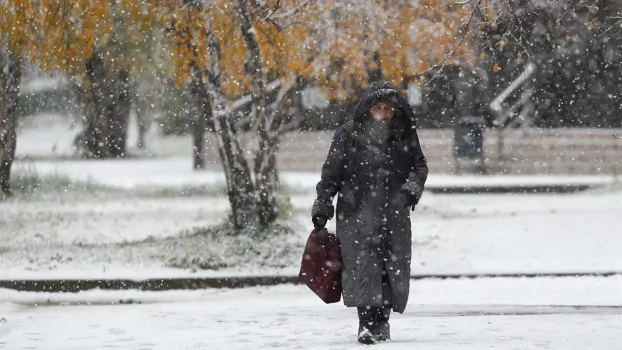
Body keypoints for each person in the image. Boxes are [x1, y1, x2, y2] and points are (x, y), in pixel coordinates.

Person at [312, 81, 428, 344]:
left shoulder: (404, 134)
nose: (383, 113)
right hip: (356, 215)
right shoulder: (347, 134)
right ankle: (366, 323)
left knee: (390, 269)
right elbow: (331, 175)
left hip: (394, 214)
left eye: (388, 108)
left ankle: (382, 323)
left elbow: (419, 166)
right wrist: (323, 204)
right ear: (367, 109)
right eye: (377, 107)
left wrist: (411, 188)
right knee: (361, 268)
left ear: (396, 111)